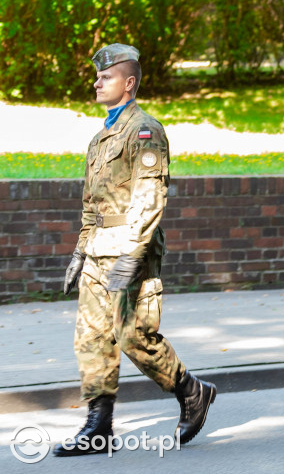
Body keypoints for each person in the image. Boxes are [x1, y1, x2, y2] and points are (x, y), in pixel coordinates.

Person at [56, 44, 215, 457]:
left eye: (105, 77)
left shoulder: (145, 130)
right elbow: (92, 202)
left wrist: (132, 255)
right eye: (97, 76)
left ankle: (192, 391)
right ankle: (98, 426)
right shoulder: (99, 139)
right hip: (97, 250)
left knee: (132, 336)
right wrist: (79, 252)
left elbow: (150, 195)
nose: (96, 81)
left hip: (132, 247)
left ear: (128, 83)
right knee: (91, 337)